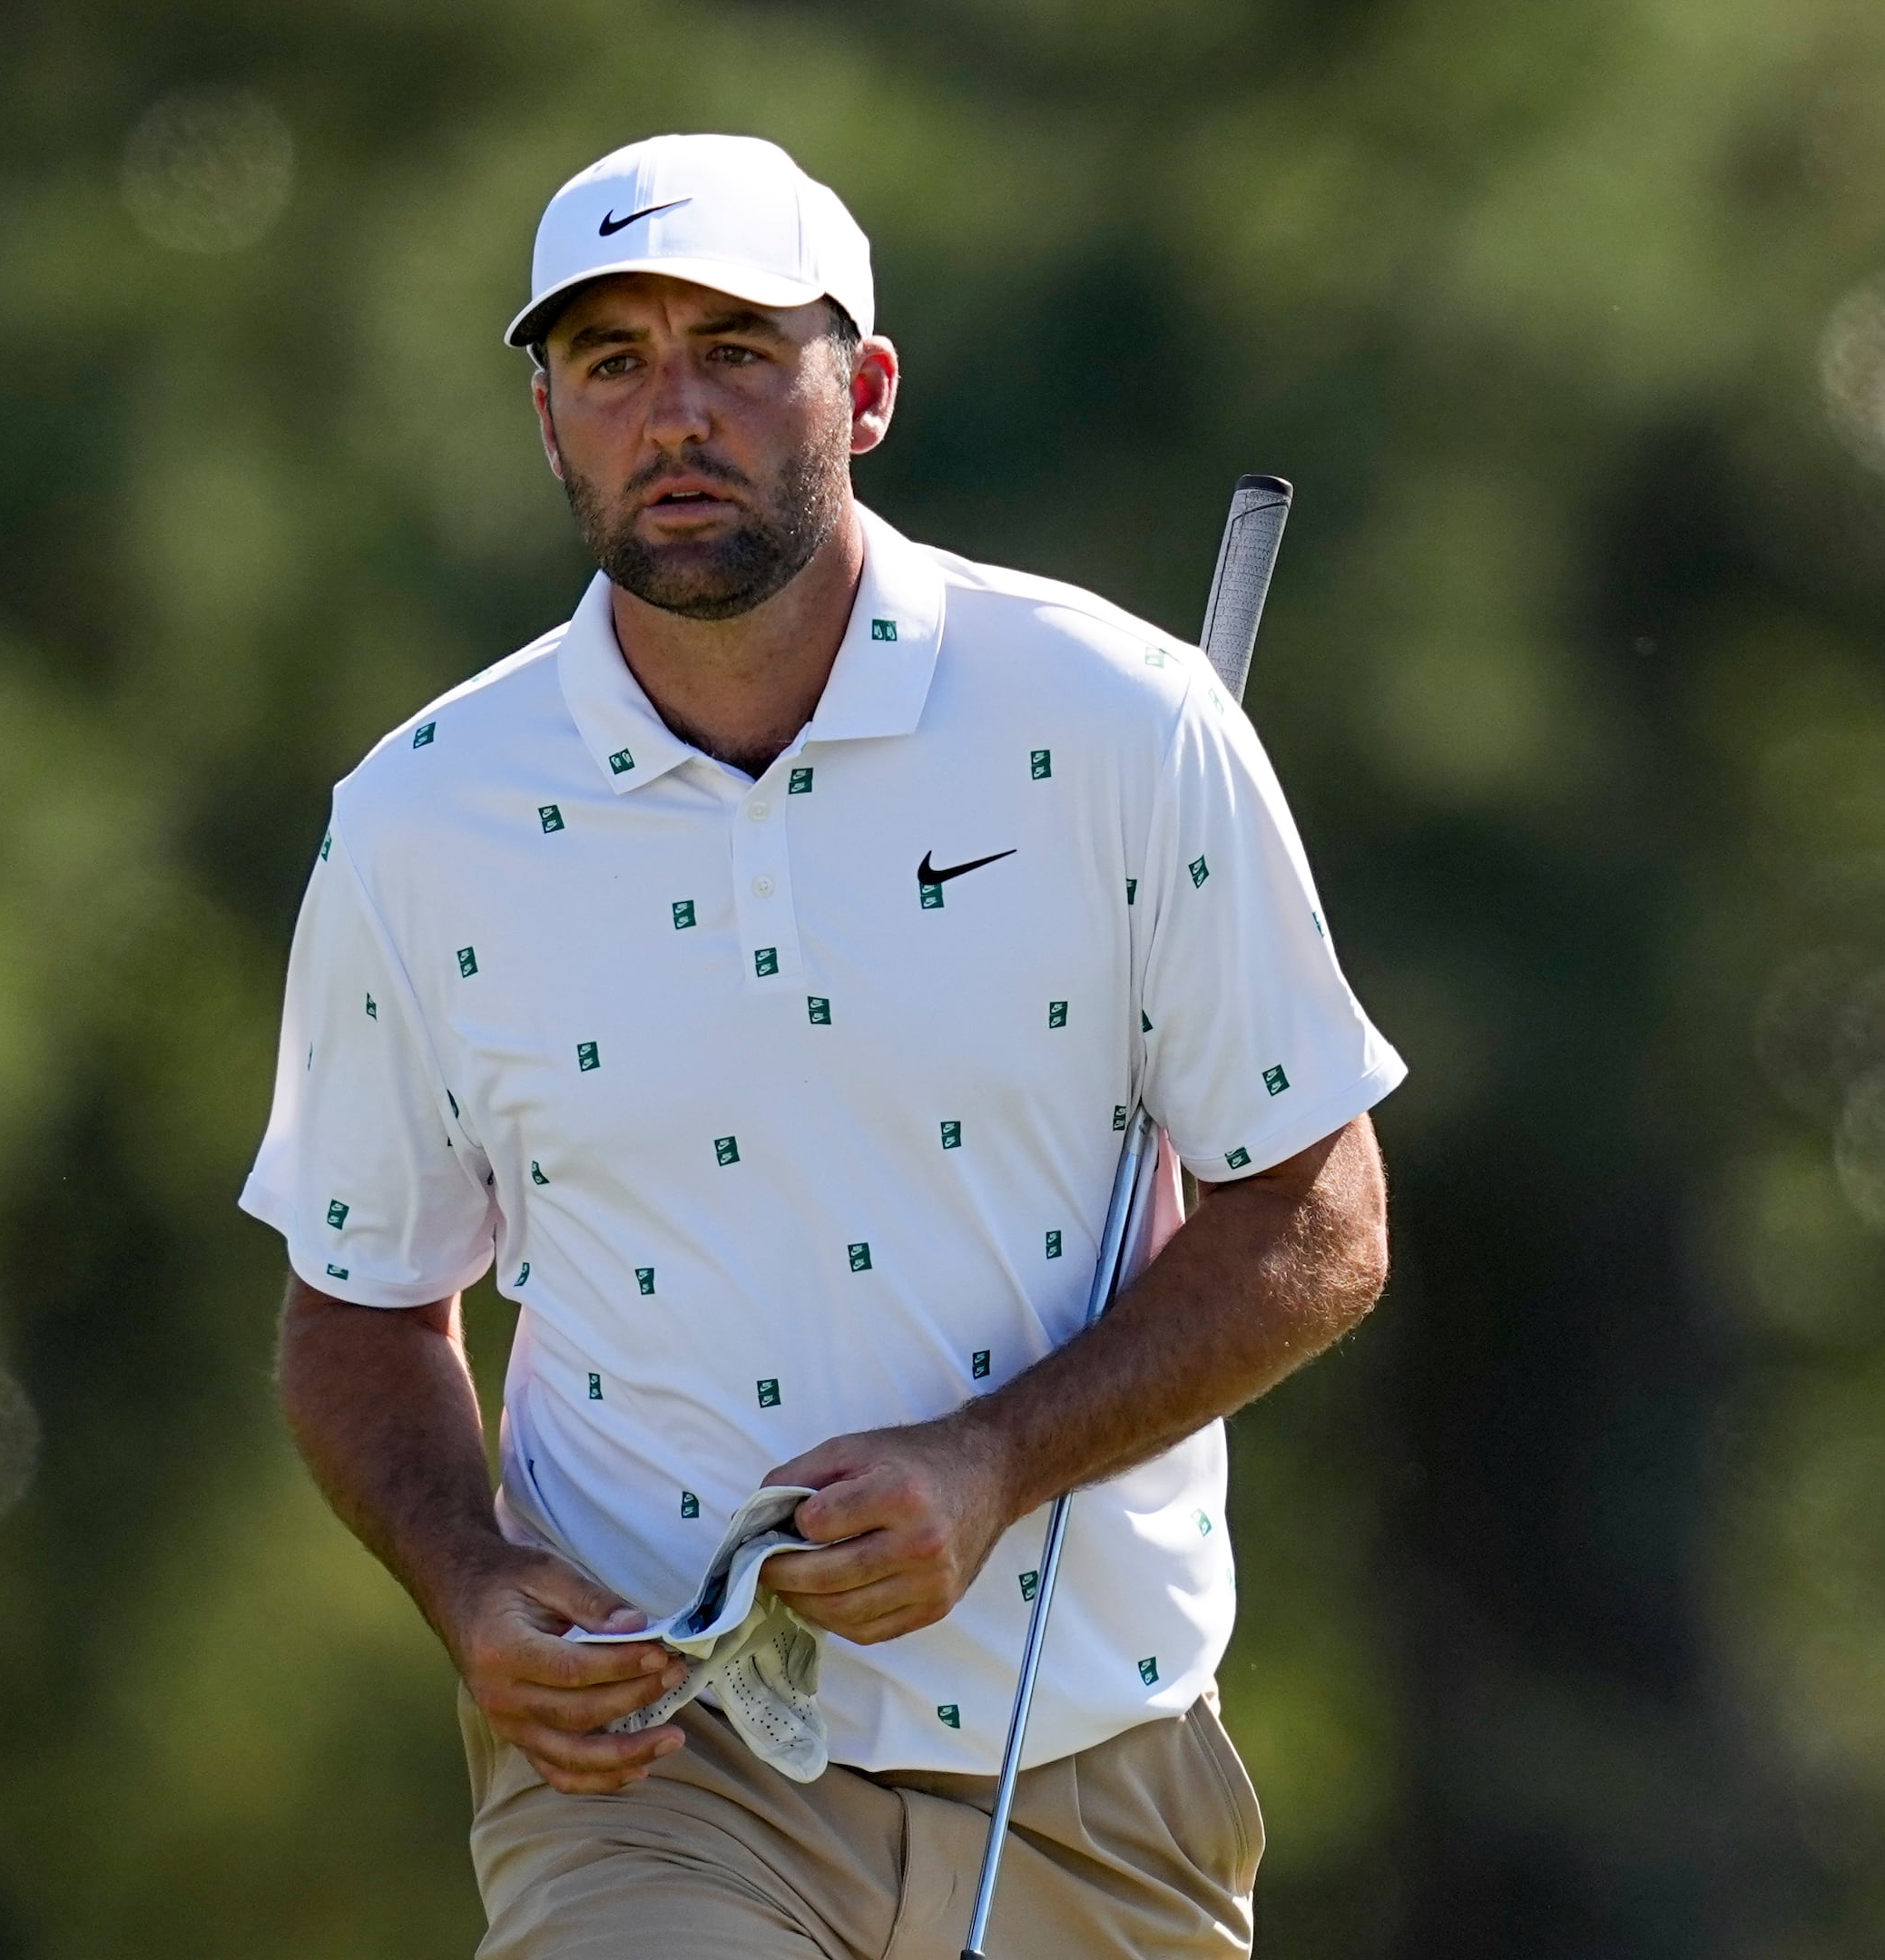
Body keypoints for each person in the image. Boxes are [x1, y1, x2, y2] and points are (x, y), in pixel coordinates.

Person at [242, 132, 1404, 1959]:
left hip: (1089, 1761)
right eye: (610, 362)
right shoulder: (421, 820)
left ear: (862, 393)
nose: (672, 413)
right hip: (655, 1760)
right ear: (548, 422)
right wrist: (469, 1585)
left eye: (735, 351)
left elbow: (1321, 1215)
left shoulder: (1123, 723)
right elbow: (359, 1306)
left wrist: (995, 1460)